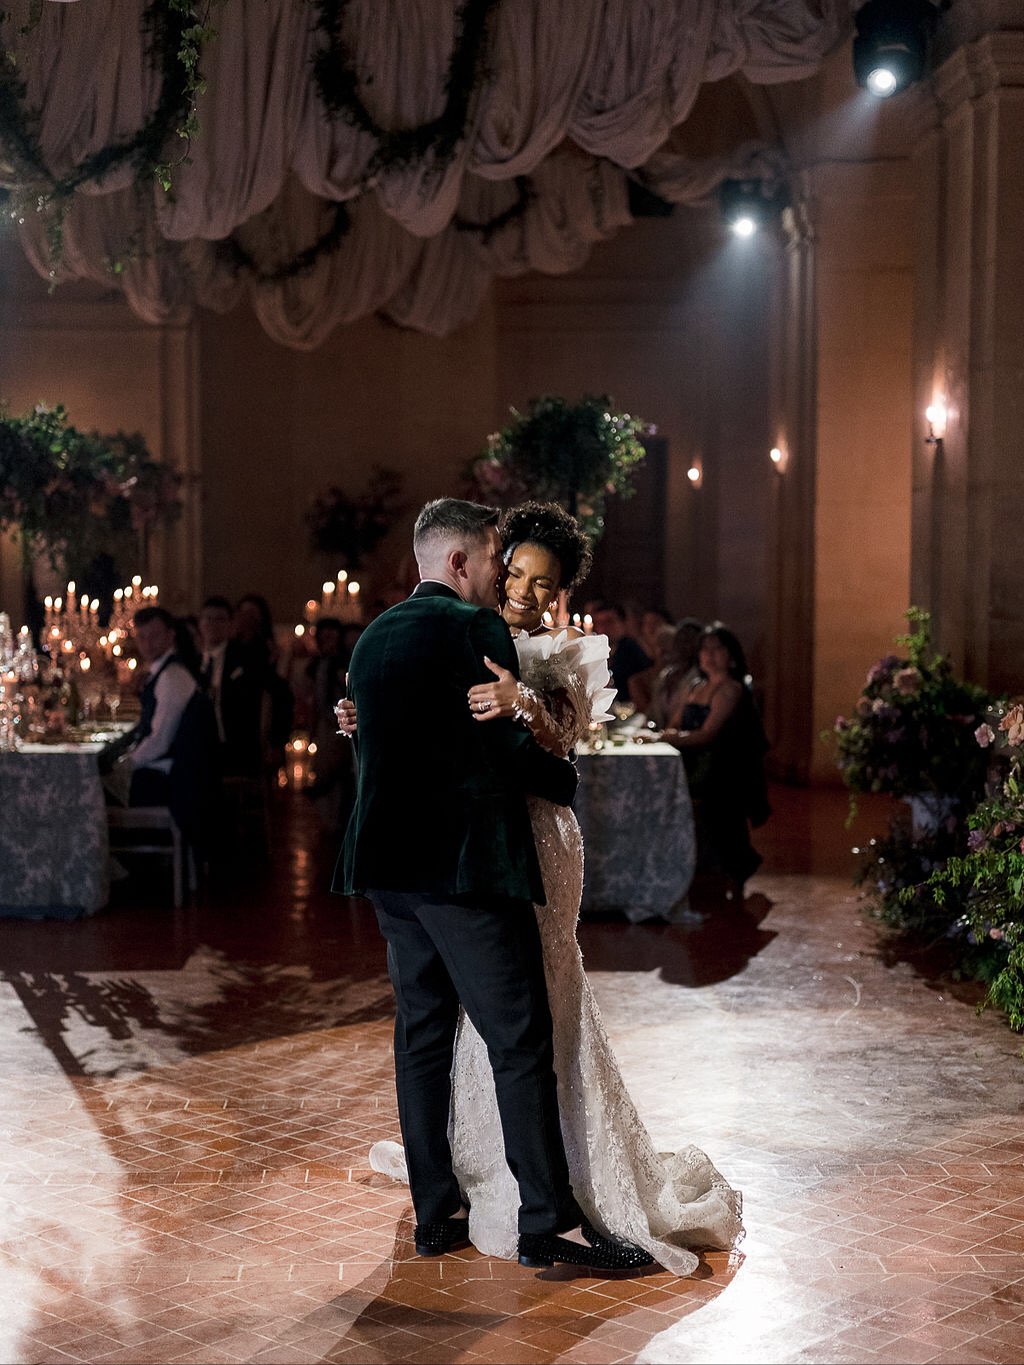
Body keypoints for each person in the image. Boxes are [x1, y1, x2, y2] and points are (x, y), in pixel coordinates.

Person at [343, 501, 743, 1274]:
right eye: (504, 563)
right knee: (520, 1038)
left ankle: (435, 1213)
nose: (512, 581)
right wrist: (529, 746)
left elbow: (414, 747)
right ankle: (545, 1224)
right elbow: (501, 759)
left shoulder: (372, 637)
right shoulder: (475, 632)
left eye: (532, 575)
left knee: (422, 1034)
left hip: (395, 872)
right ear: (468, 562)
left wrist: (387, 722)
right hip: (470, 863)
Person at [662, 622, 771, 901]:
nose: (709, 655)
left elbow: (707, 735)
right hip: (691, 759)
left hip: (720, 766)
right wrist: (666, 735)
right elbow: (675, 724)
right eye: (704, 649)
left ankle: (727, 867)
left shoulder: (730, 689)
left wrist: (667, 739)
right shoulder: (697, 686)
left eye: (716, 649)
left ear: (730, 655)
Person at [588, 600, 652, 701]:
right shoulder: (594, 652)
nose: (603, 628)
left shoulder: (632, 650)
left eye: (609, 622)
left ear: (622, 623)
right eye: (599, 623)